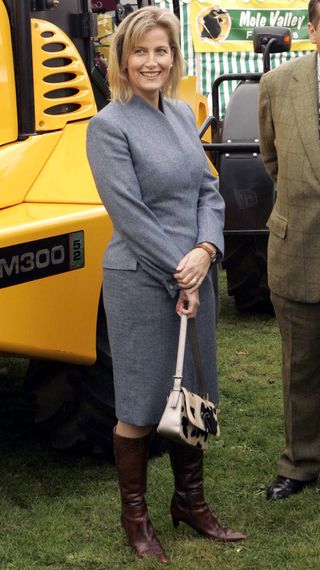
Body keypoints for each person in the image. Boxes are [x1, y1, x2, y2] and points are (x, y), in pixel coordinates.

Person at [87, 6, 246, 563]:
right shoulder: (107, 126)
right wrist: (181, 270)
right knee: (138, 402)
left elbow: (209, 191)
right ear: (122, 60)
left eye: (161, 51)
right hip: (140, 280)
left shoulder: (182, 115)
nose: (151, 62)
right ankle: (136, 517)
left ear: (174, 58)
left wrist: (204, 253)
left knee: (195, 392)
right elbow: (127, 214)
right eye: (140, 52)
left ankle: (191, 503)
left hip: (194, 275)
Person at [258, 0, 320, 501]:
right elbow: (270, 155)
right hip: (297, 244)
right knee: (299, 363)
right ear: (314, 27)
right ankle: (300, 463)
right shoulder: (279, 83)